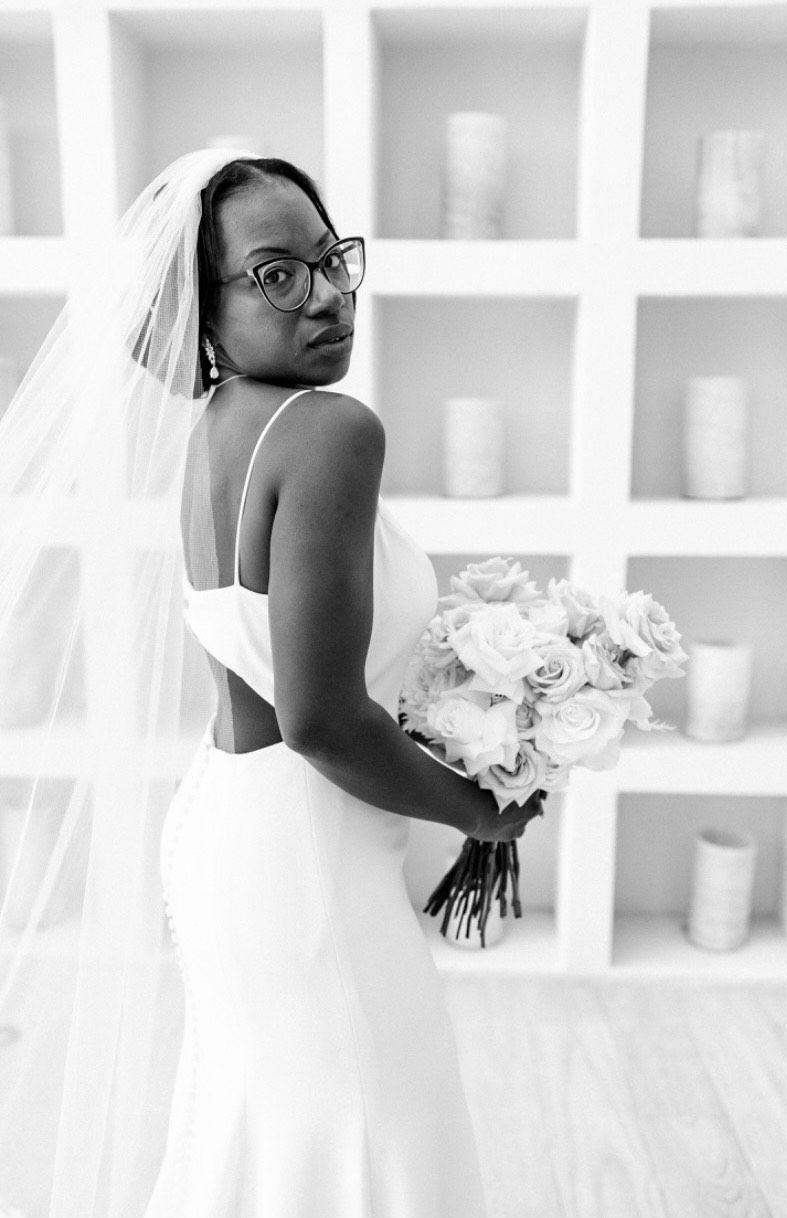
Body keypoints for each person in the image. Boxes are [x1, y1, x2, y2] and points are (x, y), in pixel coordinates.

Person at [0, 148, 541, 1217]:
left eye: (331, 259)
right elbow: (324, 719)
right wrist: (482, 813)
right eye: (277, 275)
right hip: (308, 864)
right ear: (205, 311)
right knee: (373, 1137)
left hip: (231, 834)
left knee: (268, 1137)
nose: (328, 295)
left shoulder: (219, 432)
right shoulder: (333, 431)